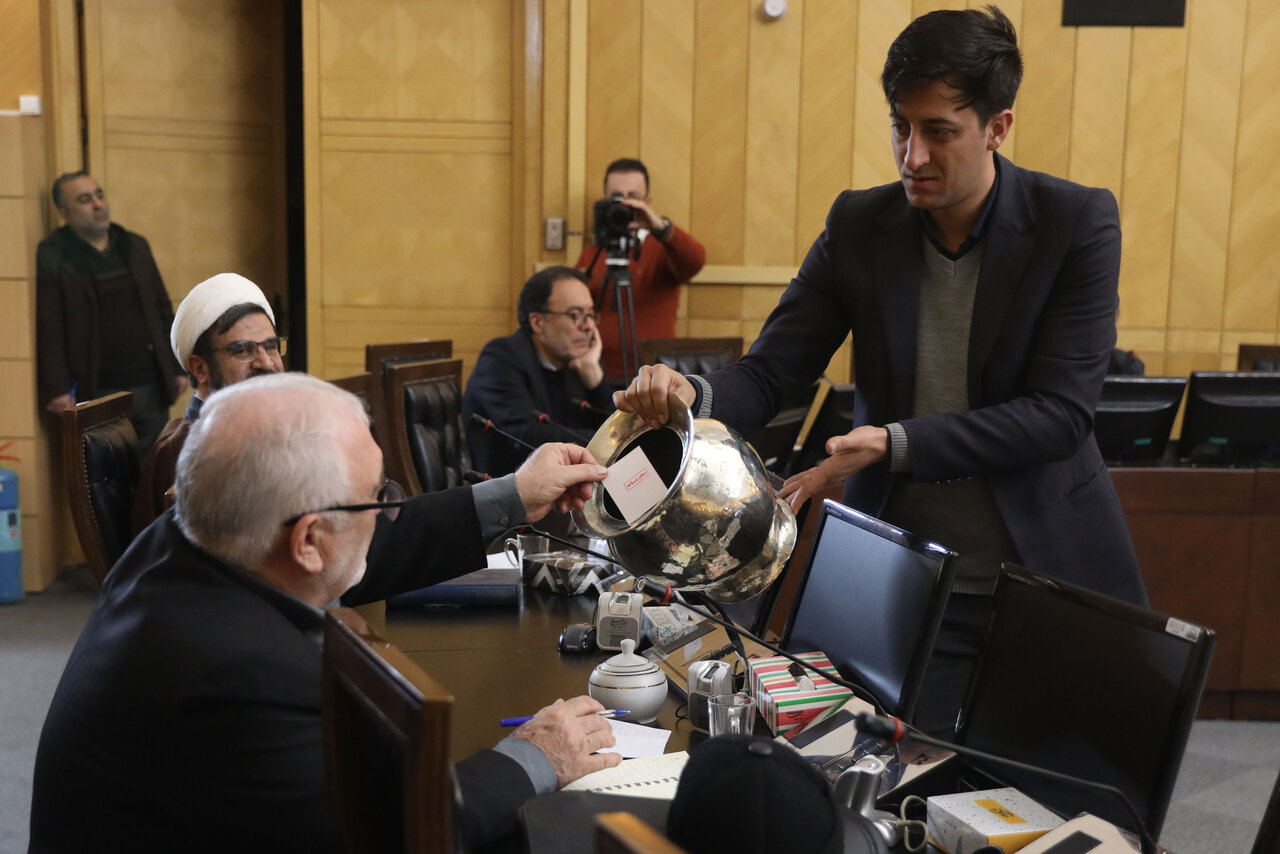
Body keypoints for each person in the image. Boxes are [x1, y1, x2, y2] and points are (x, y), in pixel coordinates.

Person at [616, 6, 1146, 733]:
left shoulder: (1074, 222)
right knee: (881, 776)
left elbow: (1060, 416)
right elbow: (770, 375)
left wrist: (896, 443)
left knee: (1043, 790)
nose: (912, 155)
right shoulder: (860, 225)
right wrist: (693, 393)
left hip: (1040, 571)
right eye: (901, 126)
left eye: (939, 131)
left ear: (997, 127)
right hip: (899, 574)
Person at [29, 373, 620, 852]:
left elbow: (368, 547)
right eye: (378, 496)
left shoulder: (187, 539)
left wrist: (515, 494)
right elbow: (395, 835)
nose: (387, 512)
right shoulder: (240, 678)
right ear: (308, 540)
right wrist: (534, 758)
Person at [36, 171, 185, 455]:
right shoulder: (55, 255)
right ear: (64, 212)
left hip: (150, 385)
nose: (98, 204)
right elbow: (49, 326)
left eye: (99, 195)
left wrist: (176, 366)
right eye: (84, 200)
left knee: (153, 469)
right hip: (96, 390)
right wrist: (57, 389)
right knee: (105, 473)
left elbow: (162, 308)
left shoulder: (134, 245)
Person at [130, 272, 285, 533]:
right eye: (243, 351)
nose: (267, 363)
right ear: (200, 368)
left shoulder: (249, 433)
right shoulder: (191, 452)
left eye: (270, 347)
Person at [464, 266, 615, 477]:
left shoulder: (580, 362)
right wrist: (610, 444)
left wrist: (595, 381)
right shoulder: (500, 357)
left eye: (590, 314)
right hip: (512, 488)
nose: (589, 326)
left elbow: (614, 427)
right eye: (575, 315)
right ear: (537, 322)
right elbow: (527, 435)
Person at [575, 158, 706, 383]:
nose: (624, 205)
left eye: (633, 197)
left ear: (647, 202)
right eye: (617, 197)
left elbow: (695, 261)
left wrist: (660, 227)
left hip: (653, 378)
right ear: (605, 201)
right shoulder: (593, 253)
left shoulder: (662, 249)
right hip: (599, 376)